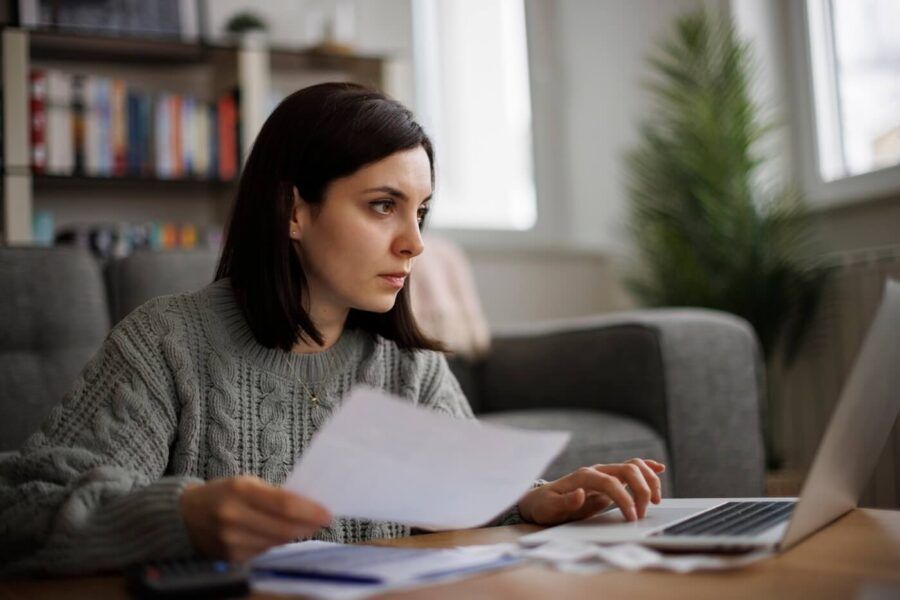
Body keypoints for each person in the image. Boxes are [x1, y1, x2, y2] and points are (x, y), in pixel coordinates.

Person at [0, 82, 665, 575]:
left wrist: (532, 501)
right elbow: (21, 508)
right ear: (294, 211)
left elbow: (460, 506)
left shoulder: (411, 368)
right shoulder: (167, 345)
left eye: (421, 213)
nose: (414, 243)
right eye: (383, 206)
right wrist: (181, 515)